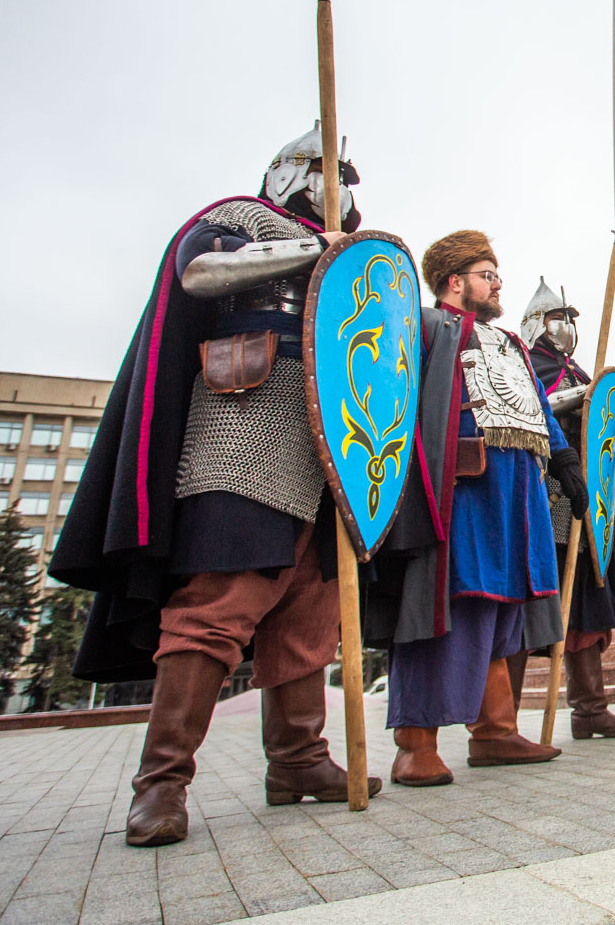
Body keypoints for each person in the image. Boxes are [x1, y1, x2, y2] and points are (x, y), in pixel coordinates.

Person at [49, 127, 377, 847]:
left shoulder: (355, 254)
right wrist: (307, 251)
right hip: (245, 425)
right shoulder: (241, 218)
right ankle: (161, 783)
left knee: (308, 613)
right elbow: (198, 274)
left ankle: (297, 761)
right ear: (288, 171)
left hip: (335, 443)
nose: (339, 183)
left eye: (348, 173)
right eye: (327, 169)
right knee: (217, 605)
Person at [368, 231, 582, 787]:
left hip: (519, 490)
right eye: (488, 274)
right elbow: (389, 397)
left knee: (503, 605)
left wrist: (564, 462)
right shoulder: (423, 326)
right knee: (447, 601)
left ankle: (493, 731)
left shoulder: (508, 341)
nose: (498, 284)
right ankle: (415, 743)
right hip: (459, 485)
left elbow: (536, 403)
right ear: (455, 281)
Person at [522, 279, 615, 738]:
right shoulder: (529, 363)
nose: (567, 326)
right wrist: (585, 395)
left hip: (593, 490)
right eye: (558, 318)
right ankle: (499, 724)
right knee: (560, 602)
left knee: (590, 596)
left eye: (571, 319)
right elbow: (539, 408)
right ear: (536, 323)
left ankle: (590, 708)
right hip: (555, 487)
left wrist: (609, 396)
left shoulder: (577, 368)